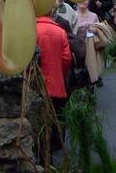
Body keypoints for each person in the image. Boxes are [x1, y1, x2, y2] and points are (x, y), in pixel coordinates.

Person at [36, 11, 72, 148]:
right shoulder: (60, 31)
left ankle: (42, 153)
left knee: (39, 124)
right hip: (57, 86)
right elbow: (66, 59)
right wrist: (58, 73)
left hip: (37, 86)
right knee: (56, 121)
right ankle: (53, 151)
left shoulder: (31, 30)